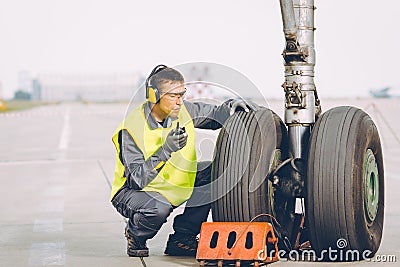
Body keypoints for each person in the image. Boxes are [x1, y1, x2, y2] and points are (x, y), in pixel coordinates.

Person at [110, 64, 257, 257]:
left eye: (182, 94)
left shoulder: (184, 110)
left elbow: (215, 115)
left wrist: (231, 106)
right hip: (133, 193)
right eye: (173, 96)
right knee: (157, 208)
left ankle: (183, 238)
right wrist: (165, 150)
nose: (179, 101)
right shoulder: (132, 129)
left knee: (215, 173)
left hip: (174, 184)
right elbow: (136, 180)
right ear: (154, 96)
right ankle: (135, 235)